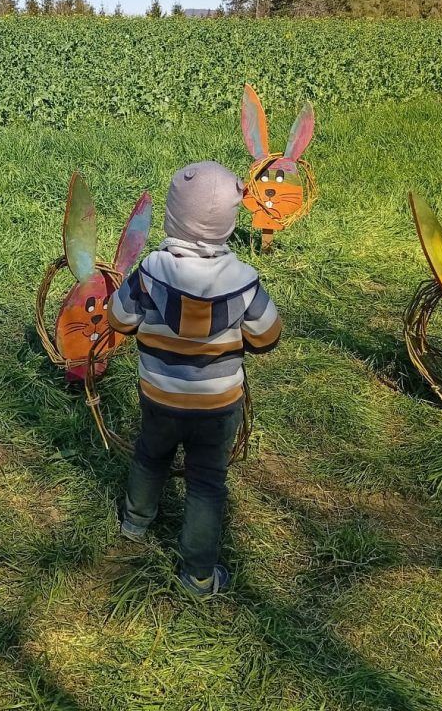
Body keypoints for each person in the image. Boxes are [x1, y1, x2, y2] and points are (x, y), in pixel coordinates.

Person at [107, 161, 281, 597]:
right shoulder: (244, 283)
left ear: (172, 218)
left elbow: (118, 318)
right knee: (207, 480)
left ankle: (135, 523)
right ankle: (199, 573)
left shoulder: (148, 275)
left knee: (150, 455)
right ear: (229, 221)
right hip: (218, 404)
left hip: (160, 396)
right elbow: (268, 335)